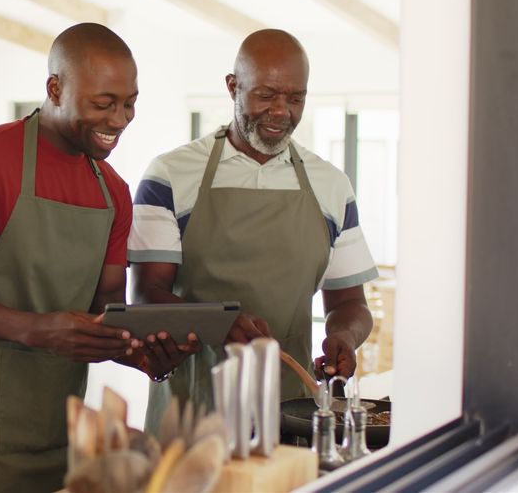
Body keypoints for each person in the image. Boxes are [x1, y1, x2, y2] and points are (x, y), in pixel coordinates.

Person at [0, 23, 178, 492]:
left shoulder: (114, 193)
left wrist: (139, 350)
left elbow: (104, 308)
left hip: (61, 417)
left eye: (129, 104)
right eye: (104, 103)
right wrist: (40, 330)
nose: (120, 119)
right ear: (55, 88)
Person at [128, 29, 377, 430]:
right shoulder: (171, 175)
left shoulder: (331, 185)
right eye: (266, 95)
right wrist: (216, 321)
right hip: (192, 412)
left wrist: (344, 338)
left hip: (291, 416)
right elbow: (144, 296)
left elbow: (350, 303)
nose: (282, 111)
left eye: (295, 98)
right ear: (233, 87)